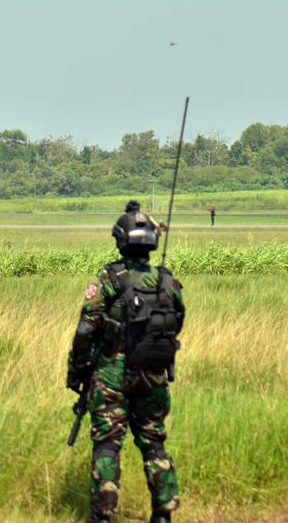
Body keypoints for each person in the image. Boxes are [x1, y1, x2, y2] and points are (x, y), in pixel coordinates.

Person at [67, 201, 185, 523]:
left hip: (111, 375)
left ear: (121, 240)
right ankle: (163, 514)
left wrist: (77, 372)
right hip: (153, 374)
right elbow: (177, 321)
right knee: (153, 444)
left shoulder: (109, 277)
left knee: (107, 445)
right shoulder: (167, 281)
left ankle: (102, 516)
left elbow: (85, 330)